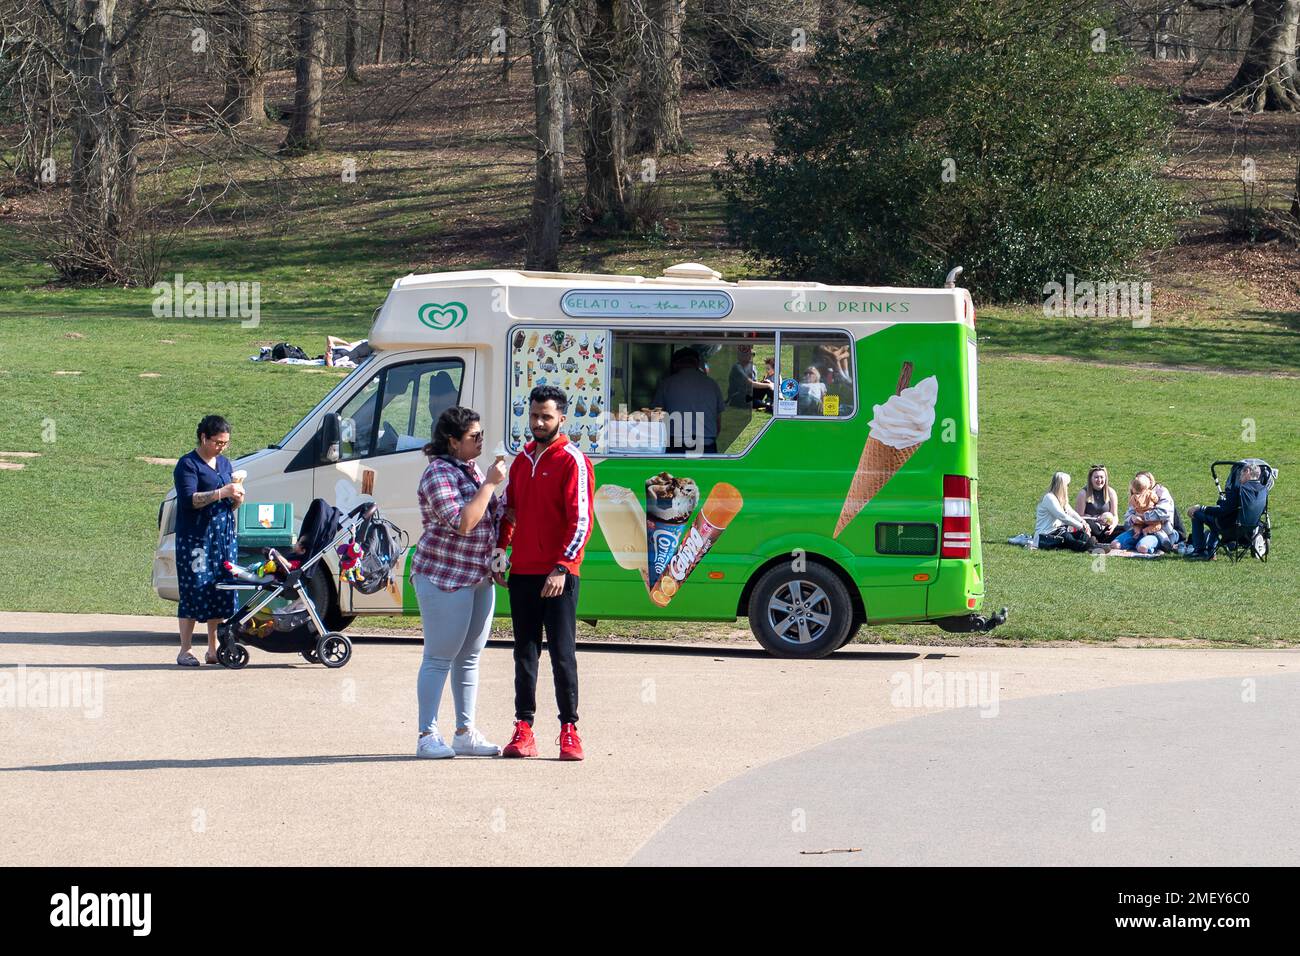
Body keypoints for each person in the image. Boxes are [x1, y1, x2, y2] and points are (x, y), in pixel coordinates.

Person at [493, 385, 595, 761]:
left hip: (558, 575)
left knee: (563, 654)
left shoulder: (572, 460)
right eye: (534, 415)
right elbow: (509, 511)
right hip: (523, 573)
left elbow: (581, 520)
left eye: (546, 416)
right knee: (525, 653)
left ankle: (569, 730)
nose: (538, 422)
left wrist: (563, 567)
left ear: (561, 418)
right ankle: (523, 729)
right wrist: (501, 551)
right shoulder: (521, 461)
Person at [410, 406, 508, 759]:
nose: (481, 440)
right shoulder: (438, 473)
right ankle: (426, 735)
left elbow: (488, 515)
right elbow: (463, 522)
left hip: (478, 575)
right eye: (474, 437)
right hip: (443, 576)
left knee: (469, 658)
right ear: (452, 441)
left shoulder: (469, 468)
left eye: (481, 434)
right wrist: (490, 485)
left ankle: (464, 732)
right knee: (438, 657)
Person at [172, 415, 244, 666]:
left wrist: (236, 498)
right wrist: (221, 492)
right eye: (218, 442)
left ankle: (214, 649)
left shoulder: (224, 464)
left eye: (226, 443)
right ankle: (185, 650)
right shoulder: (188, 465)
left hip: (222, 538)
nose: (222, 447)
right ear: (204, 437)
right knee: (194, 590)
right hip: (196, 539)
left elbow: (228, 502)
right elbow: (189, 500)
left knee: (220, 590)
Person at [1185, 463, 1266, 560]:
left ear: (1247, 471)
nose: (1239, 478)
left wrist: (1201, 507)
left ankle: (1199, 551)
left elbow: (1223, 511)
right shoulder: (1263, 490)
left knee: (1197, 514)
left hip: (1231, 528)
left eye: (1240, 475)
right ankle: (1211, 550)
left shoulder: (1239, 489)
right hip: (1250, 530)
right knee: (1215, 519)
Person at [652, 348, 725, 454]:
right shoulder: (712, 384)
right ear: (697, 364)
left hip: (676, 445)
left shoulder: (667, 384)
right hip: (706, 444)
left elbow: (656, 417)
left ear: (675, 365)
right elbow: (718, 423)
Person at [1114, 470, 1178, 554]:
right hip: (1138, 529)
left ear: (1150, 481)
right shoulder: (1135, 495)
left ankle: (1155, 545)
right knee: (1115, 544)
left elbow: (1164, 512)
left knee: (1142, 548)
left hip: (1157, 531)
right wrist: (1132, 519)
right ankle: (1137, 542)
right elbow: (1129, 514)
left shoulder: (1160, 492)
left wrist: (1143, 517)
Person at [1034, 471, 1097, 551]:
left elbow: (1071, 512)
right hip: (1046, 534)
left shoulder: (1060, 498)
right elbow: (1062, 516)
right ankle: (1082, 547)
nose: (1068, 487)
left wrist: (1082, 522)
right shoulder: (1049, 498)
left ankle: (1088, 544)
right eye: (1067, 485)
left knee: (1081, 535)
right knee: (1067, 537)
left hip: (1058, 531)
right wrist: (1080, 526)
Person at [1074, 464, 1120, 544]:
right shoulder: (1083, 493)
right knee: (1090, 525)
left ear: (1105, 478)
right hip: (1091, 525)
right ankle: (1098, 539)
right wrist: (1096, 518)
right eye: (1096, 477)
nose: (1099, 480)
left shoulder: (1111, 492)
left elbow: (1115, 515)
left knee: (1123, 530)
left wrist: (1113, 526)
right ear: (1090, 479)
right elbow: (1078, 517)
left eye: (1102, 477)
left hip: (1106, 526)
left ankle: (1097, 540)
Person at [726, 344, 773, 410]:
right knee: (757, 400)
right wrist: (768, 385)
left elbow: (754, 383)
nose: (751, 356)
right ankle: (768, 406)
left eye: (753, 354)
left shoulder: (753, 367)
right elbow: (750, 383)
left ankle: (773, 402)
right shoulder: (737, 367)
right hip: (738, 396)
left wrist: (764, 383)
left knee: (766, 382)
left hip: (749, 394)